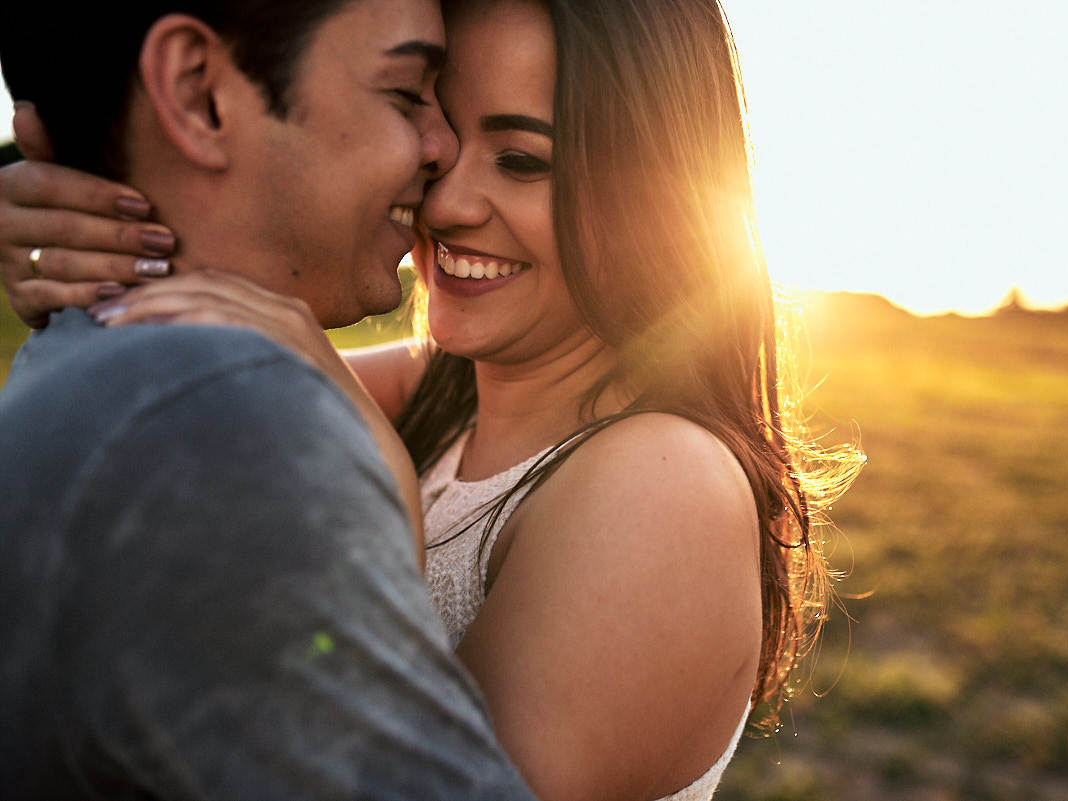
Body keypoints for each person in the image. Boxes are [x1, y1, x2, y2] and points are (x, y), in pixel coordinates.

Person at [0, 0, 864, 799]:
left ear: (660, 193)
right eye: (432, 126)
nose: (443, 200)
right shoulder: (438, 393)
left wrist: (372, 476)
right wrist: (85, 221)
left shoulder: (663, 479)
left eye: (522, 160)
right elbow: (213, 298)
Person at [0, 2, 539, 799]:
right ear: (197, 94)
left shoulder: (93, 360)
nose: (442, 147)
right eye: (404, 93)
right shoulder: (219, 425)